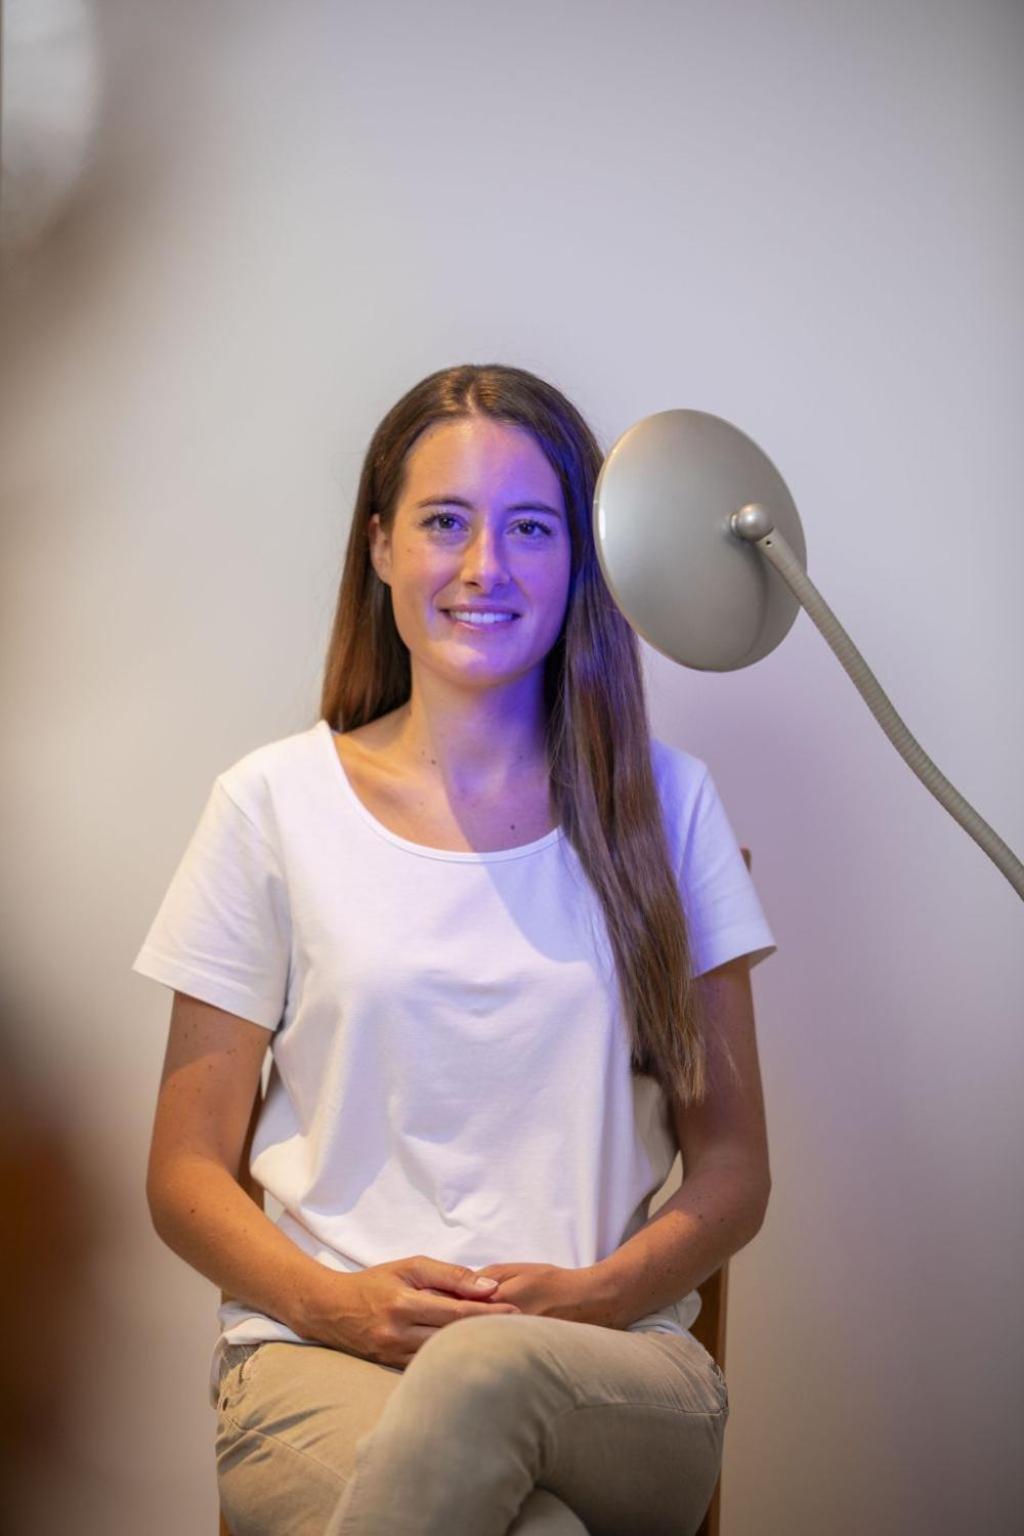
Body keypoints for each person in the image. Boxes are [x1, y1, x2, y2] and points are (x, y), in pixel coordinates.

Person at [133, 362, 777, 1536]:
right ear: (380, 547)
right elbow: (183, 1173)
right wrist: (336, 1307)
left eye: (530, 528)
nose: (486, 566)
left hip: (616, 1372)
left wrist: (598, 1296)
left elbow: (733, 1169)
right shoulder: (269, 807)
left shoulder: (668, 810)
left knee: (486, 1372)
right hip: (317, 1361)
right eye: (444, 522)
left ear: (582, 562)